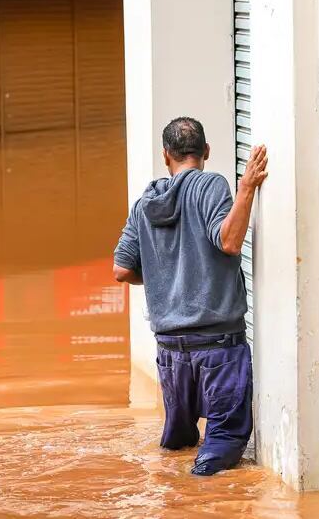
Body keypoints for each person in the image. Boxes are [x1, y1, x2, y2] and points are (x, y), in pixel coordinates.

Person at [112, 116, 268, 476]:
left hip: (170, 352)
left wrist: (162, 277)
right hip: (218, 348)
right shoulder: (210, 185)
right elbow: (229, 241)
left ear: (166, 155)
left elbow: (121, 270)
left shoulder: (145, 203)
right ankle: (197, 498)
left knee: (177, 446)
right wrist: (246, 189)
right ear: (206, 151)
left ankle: (172, 497)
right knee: (219, 452)